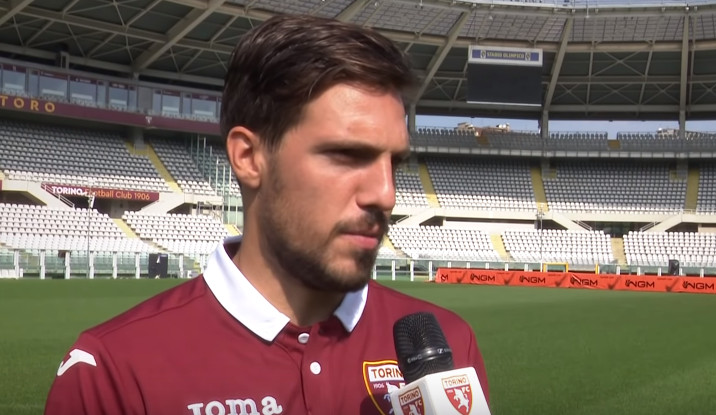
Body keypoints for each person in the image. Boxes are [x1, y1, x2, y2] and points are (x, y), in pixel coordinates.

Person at [45, 14, 489, 415]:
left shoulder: (447, 346)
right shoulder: (114, 370)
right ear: (249, 157)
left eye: (396, 164)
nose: (385, 195)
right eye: (347, 155)